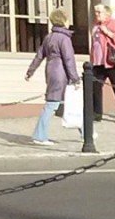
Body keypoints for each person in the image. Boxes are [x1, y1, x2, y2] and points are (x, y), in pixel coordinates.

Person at [24, 9, 79, 147]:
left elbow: (39, 56)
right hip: (61, 74)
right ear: (63, 21)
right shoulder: (64, 39)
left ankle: (86, 132)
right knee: (53, 105)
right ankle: (39, 135)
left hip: (50, 71)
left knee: (69, 104)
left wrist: (30, 71)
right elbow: (69, 59)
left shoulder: (49, 37)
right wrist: (75, 78)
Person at [91, 3, 115, 123]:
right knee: (95, 87)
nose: (96, 14)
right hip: (99, 62)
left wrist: (107, 32)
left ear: (107, 13)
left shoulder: (113, 23)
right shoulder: (96, 26)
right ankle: (97, 114)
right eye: (96, 12)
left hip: (112, 62)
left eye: (99, 12)